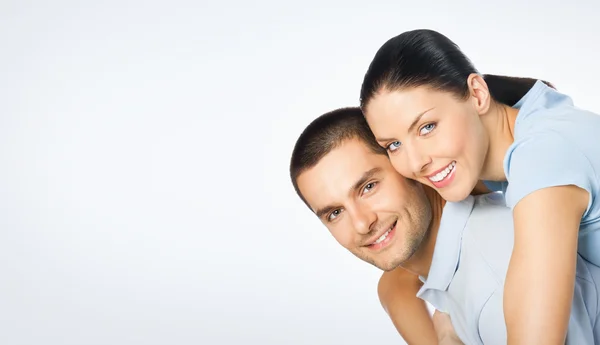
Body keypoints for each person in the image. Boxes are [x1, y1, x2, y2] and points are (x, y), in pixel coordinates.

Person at [359, 29, 600, 344]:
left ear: (477, 94)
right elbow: (397, 281)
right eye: (393, 145)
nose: (416, 162)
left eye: (427, 127)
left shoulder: (541, 162)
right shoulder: (521, 120)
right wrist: (446, 324)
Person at [289, 107, 600, 344]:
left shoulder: (494, 277)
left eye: (368, 187)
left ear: (406, 164)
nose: (361, 223)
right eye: (334, 213)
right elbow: (393, 285)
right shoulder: (442, 269)